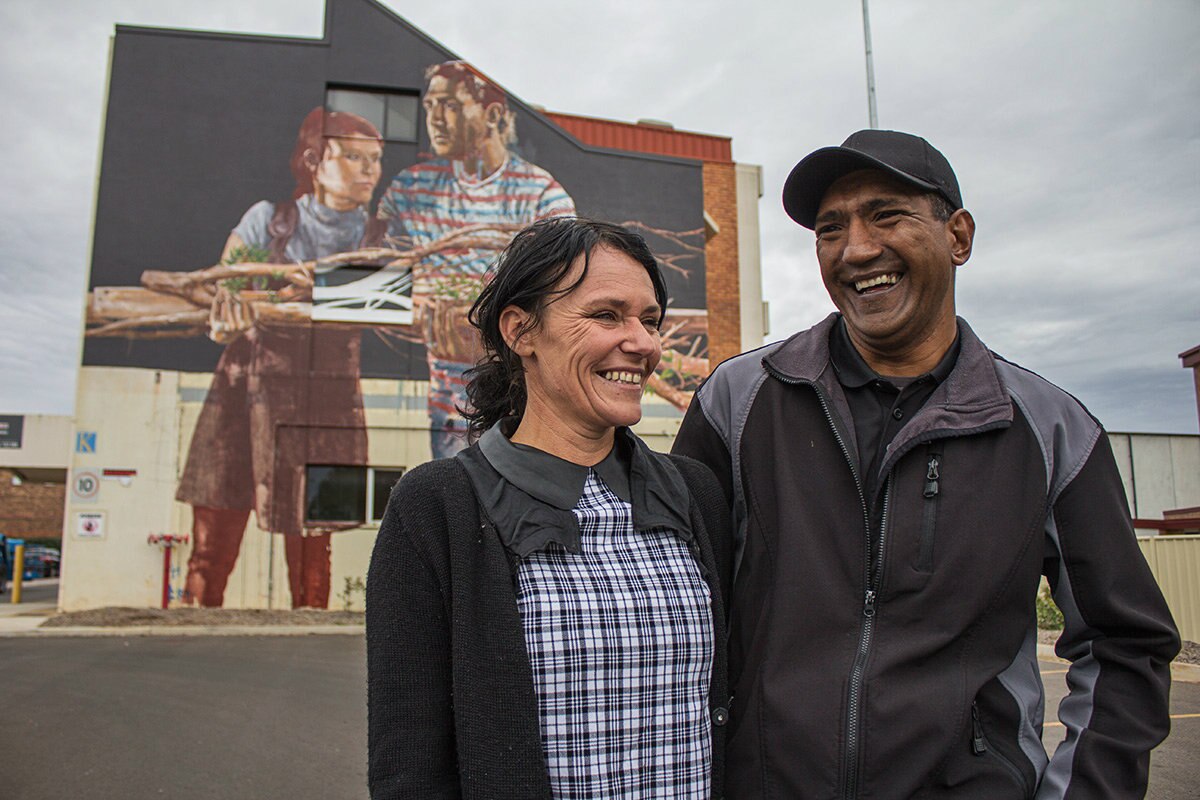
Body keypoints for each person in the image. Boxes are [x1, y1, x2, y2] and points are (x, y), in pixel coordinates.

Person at [673, 130, 1181, 798]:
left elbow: (1124, 644)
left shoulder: (1050, 428)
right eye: (830, 229)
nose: (856, 249)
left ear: (959, 236)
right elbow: (675, 611)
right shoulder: (736, 402)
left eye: (887, 215)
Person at [367, 217, 732, 799]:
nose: (642, 343)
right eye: (606, 315)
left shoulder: (696, 493)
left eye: (650, 320)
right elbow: (408, 766)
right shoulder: (436, 507)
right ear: (521, 330)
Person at [176, 107, 384, 609]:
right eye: (353, 156)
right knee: (212, 534)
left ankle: (306, 637)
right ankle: (192, 628)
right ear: (313, 159)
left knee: (314, 547)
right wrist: (224, 316)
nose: (368, 170)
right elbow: (222, 284)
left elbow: (392, 299)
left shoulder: (380, 236)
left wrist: (319, 291)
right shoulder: (268, 220)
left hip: (327, 398)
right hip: (244, 390)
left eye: (375, 160)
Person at [376, 60, 576, 459]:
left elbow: (561, 299)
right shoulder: (409, 190)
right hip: (444, 408)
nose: (435, 118)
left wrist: (478, 322)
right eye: (430, 107)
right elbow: (374, 273)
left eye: (449, 105)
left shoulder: (542, 197)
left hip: (523, 407)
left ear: (493, 114)